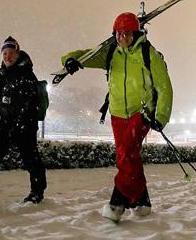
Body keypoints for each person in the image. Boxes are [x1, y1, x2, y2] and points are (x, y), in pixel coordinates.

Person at [61, 12, 173, 222]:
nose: (122, 38)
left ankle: (118, 202)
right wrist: (70, 60)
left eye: (126, 34)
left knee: (126, 155)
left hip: (141, 112)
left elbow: (164, 87)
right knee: (129, 156)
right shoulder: (112, 52)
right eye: (118, 34)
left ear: (135, 33)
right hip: (117, 113)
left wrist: (161, 116)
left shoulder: (149, 55)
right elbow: (88, 55)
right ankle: (142, 201)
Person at [0, 36, 47, 209]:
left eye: (11, 53)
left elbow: (29, 104)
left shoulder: (27, 75)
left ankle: (37, 191)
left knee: (31, 158)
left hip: (24, 126)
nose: (7, 56)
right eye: (4, 53)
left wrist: (19, 124)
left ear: (18, 53)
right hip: (2, 125)